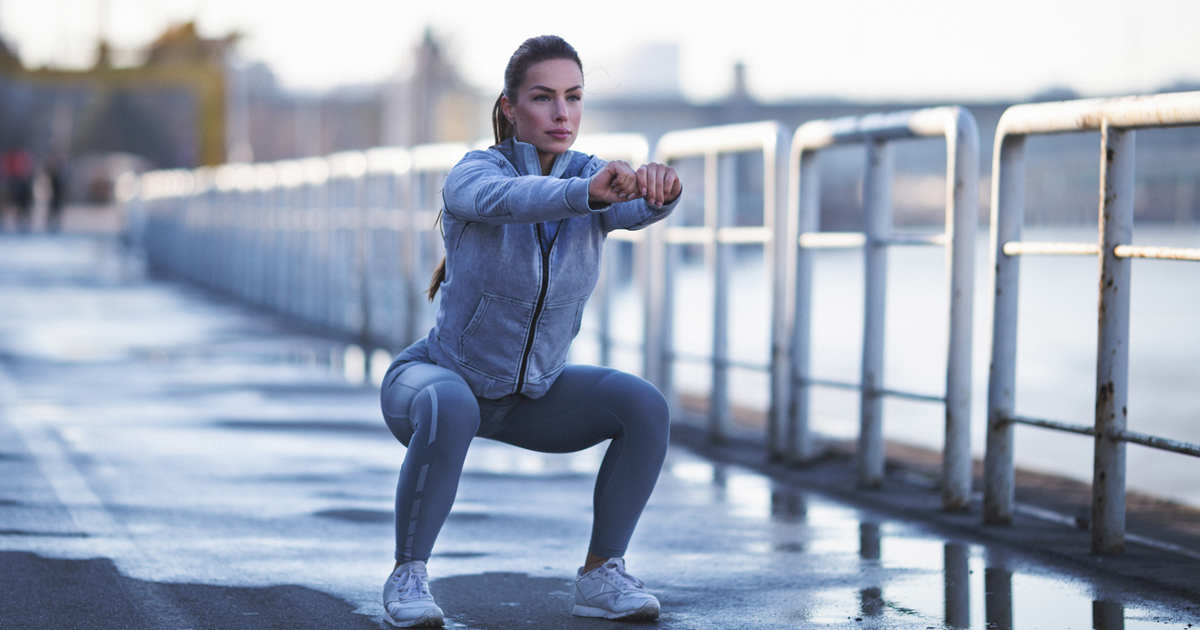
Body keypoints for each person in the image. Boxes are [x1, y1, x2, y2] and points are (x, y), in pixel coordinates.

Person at [378, 35, 682, 628]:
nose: (561, 113)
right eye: (543, 98)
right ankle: (407, 578)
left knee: (643, 405)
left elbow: (631, 209)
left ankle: (601, 574)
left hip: (530, 398)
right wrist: (581, 195)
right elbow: (506, 199)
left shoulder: (594, 176)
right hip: (435, 383)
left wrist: (661, 190)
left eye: (573, 97)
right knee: (449, 403)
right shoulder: (475, 172)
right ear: (511, 108)